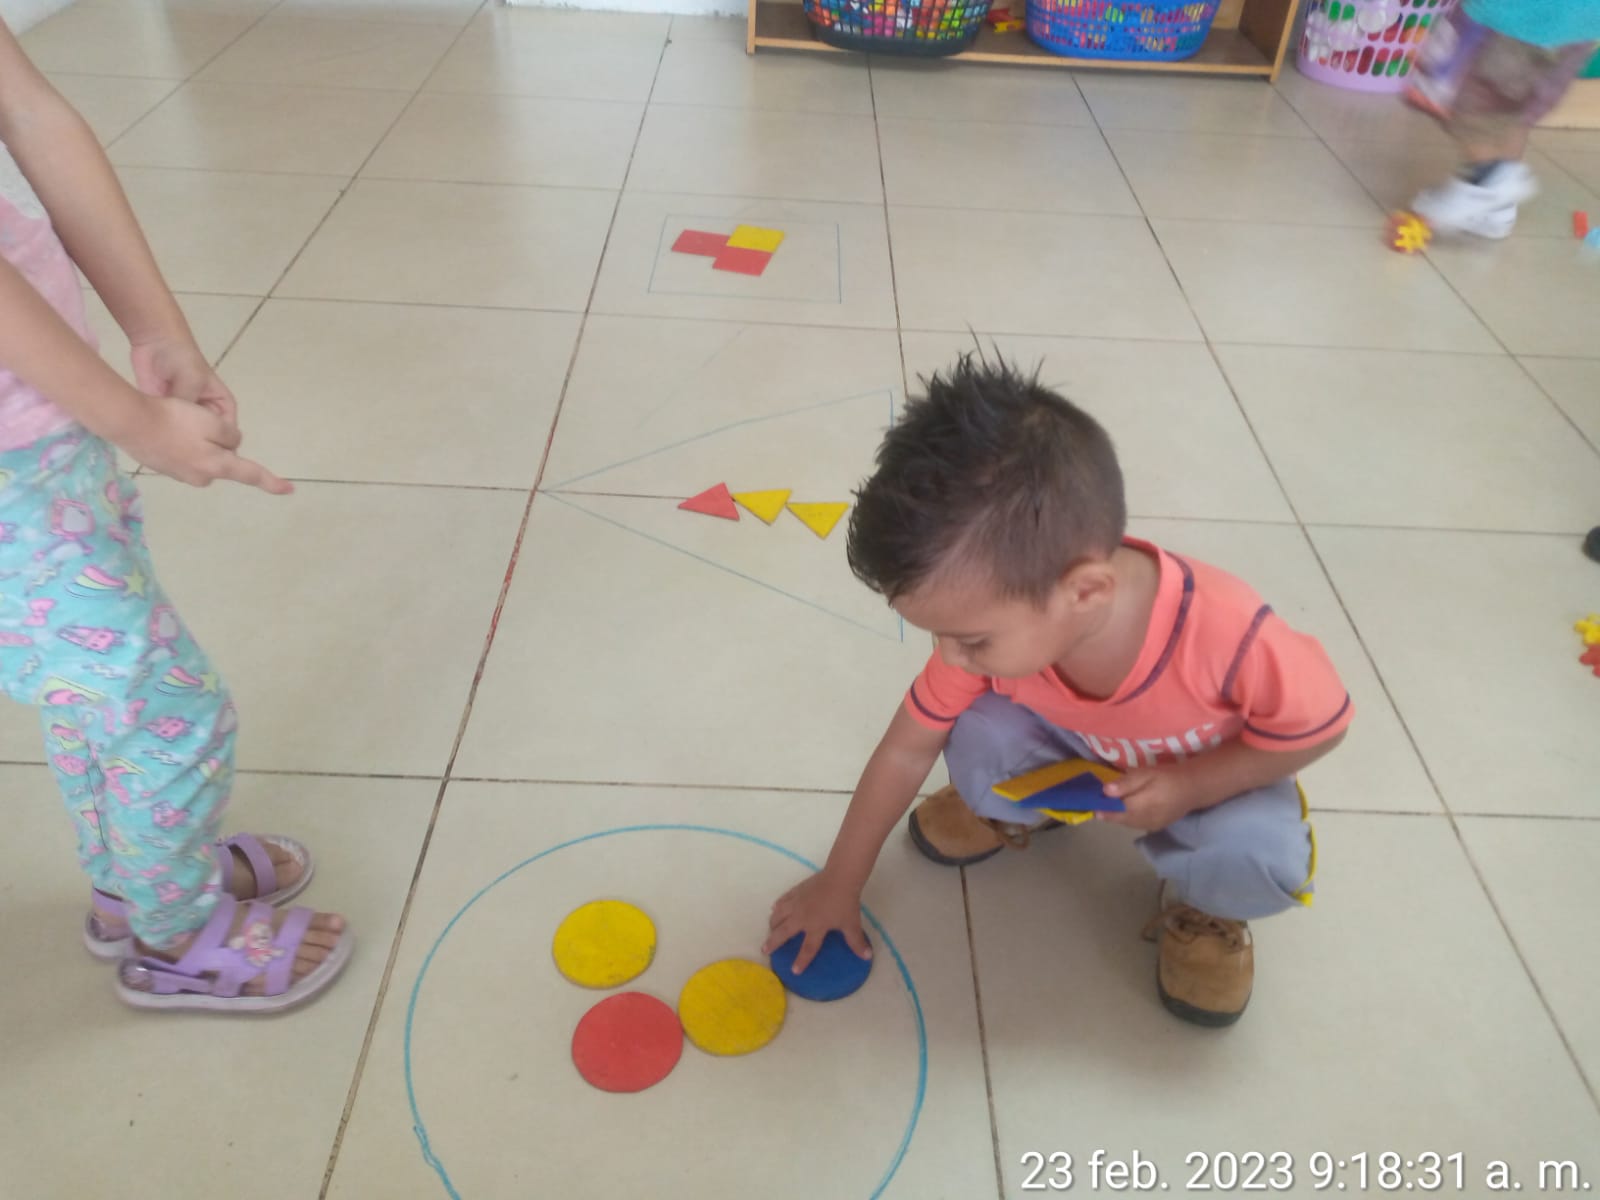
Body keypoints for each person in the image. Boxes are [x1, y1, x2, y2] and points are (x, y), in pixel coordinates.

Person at [763, 355, 1352, 1026]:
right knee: (976, 732)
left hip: (1210, 777)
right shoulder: (998, 622)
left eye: (971, 639)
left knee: (1261, 853)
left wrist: (1192, 786)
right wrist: (839, 885)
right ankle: (1032, 812)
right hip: (1080, 754)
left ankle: (1208, 911)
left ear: (1086, 592)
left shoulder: (1229, 633)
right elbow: (905, 748)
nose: (948, 656)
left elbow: (1322, 727)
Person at [0, 17, 349, 1012]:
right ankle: (179, 932)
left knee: (92, 687)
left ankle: (137, 882)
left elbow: (30, 112)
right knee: (169, 707)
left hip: (39, 418)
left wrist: (158, 334)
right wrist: (137, 423)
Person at [1406, 0, 1600, 238]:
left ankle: (1487, 181)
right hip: (1576, 28)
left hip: (1512, 18)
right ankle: (1496, 209)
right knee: (1511, 111)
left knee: (1463, 100)